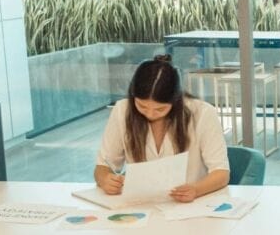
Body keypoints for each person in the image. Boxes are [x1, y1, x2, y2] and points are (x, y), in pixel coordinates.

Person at [94, 54, 229, 203]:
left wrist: (196, 189)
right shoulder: (122, 110)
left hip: (191, 206)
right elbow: (103, 166)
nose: (150, 114)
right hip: (142, 206)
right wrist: (105, 179)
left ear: (176, 100)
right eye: (142, 106)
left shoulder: (202, 113)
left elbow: (221, 173)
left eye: (160, 109)